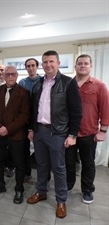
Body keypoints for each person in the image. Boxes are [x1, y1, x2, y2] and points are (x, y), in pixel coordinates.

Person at [27, 50, 82, 218]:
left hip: (57, 133)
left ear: (58, 63)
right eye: (45, 62)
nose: (48, 65)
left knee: (58, 168)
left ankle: (61, 200)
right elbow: (32, 110)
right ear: (42, 65)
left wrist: (72, 135)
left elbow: (76, 111)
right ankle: (41, 191)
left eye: (51, 61)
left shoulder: (68, 83)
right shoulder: (38, 84)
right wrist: (31, 129)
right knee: (41, 164)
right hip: (39, 132)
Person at [65, 54, 109, 204]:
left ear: (91, 66)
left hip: (89, 133)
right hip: (69, 133)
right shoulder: (68, 84)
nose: (82, 66)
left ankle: (87, 189)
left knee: (88, 163)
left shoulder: (99, 86)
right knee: (69, 162)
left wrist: (103, 130)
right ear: (75, 66)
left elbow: (105, 108)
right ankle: (68, 184)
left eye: (86, 63)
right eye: (79, 63)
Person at [0, 66, 30, 204]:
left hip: (16, 135)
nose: (10, 76)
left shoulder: (24, 93)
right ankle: (0, 185)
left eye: (13, 74)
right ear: (3, 76)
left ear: (17, 76)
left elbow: (24, 115)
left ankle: (19, 189)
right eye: (7, 74)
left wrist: (8, 129)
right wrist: (0, 128)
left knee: (19, 164)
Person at [18, 58, 41, 181]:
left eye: (33, 65)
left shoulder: (43, 81)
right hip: (25, 121)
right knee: (24, 149)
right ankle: (27, 173)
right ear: (25, 68)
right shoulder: (22, 83)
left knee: (41, 150)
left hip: (39, 120)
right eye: (28, 66)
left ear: (37, 67)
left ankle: (43, 177)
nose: (31, 68)